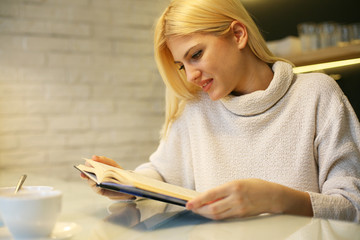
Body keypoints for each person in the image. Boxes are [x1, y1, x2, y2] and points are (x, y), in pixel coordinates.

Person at [81, 0, 360, 222]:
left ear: (238, 35)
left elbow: (352, 206)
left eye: (196, 55)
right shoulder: (197, 109)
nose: (190, 75)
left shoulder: (316, 94)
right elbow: (163, 173)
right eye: (181, 64)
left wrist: (275, 198)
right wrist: (124, 183)